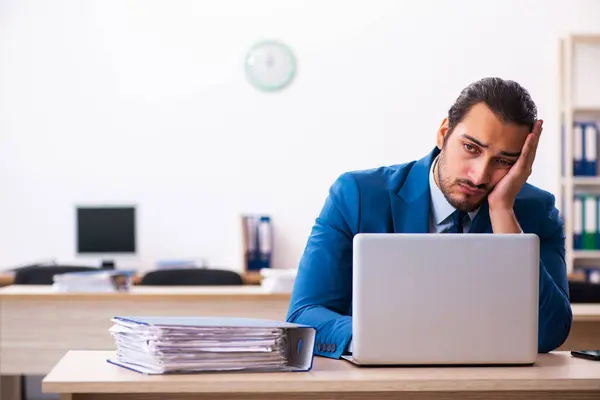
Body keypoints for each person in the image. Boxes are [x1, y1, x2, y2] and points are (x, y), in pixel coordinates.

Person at [286, 77, 573, 359]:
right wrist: (386, 336)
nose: (480, 175)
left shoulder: (536, 211)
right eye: (471, 148)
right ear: (444, 132)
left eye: (503, 162)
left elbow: (549, 332)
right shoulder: (356, 195)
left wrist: (502, 212)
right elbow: (304, 315)